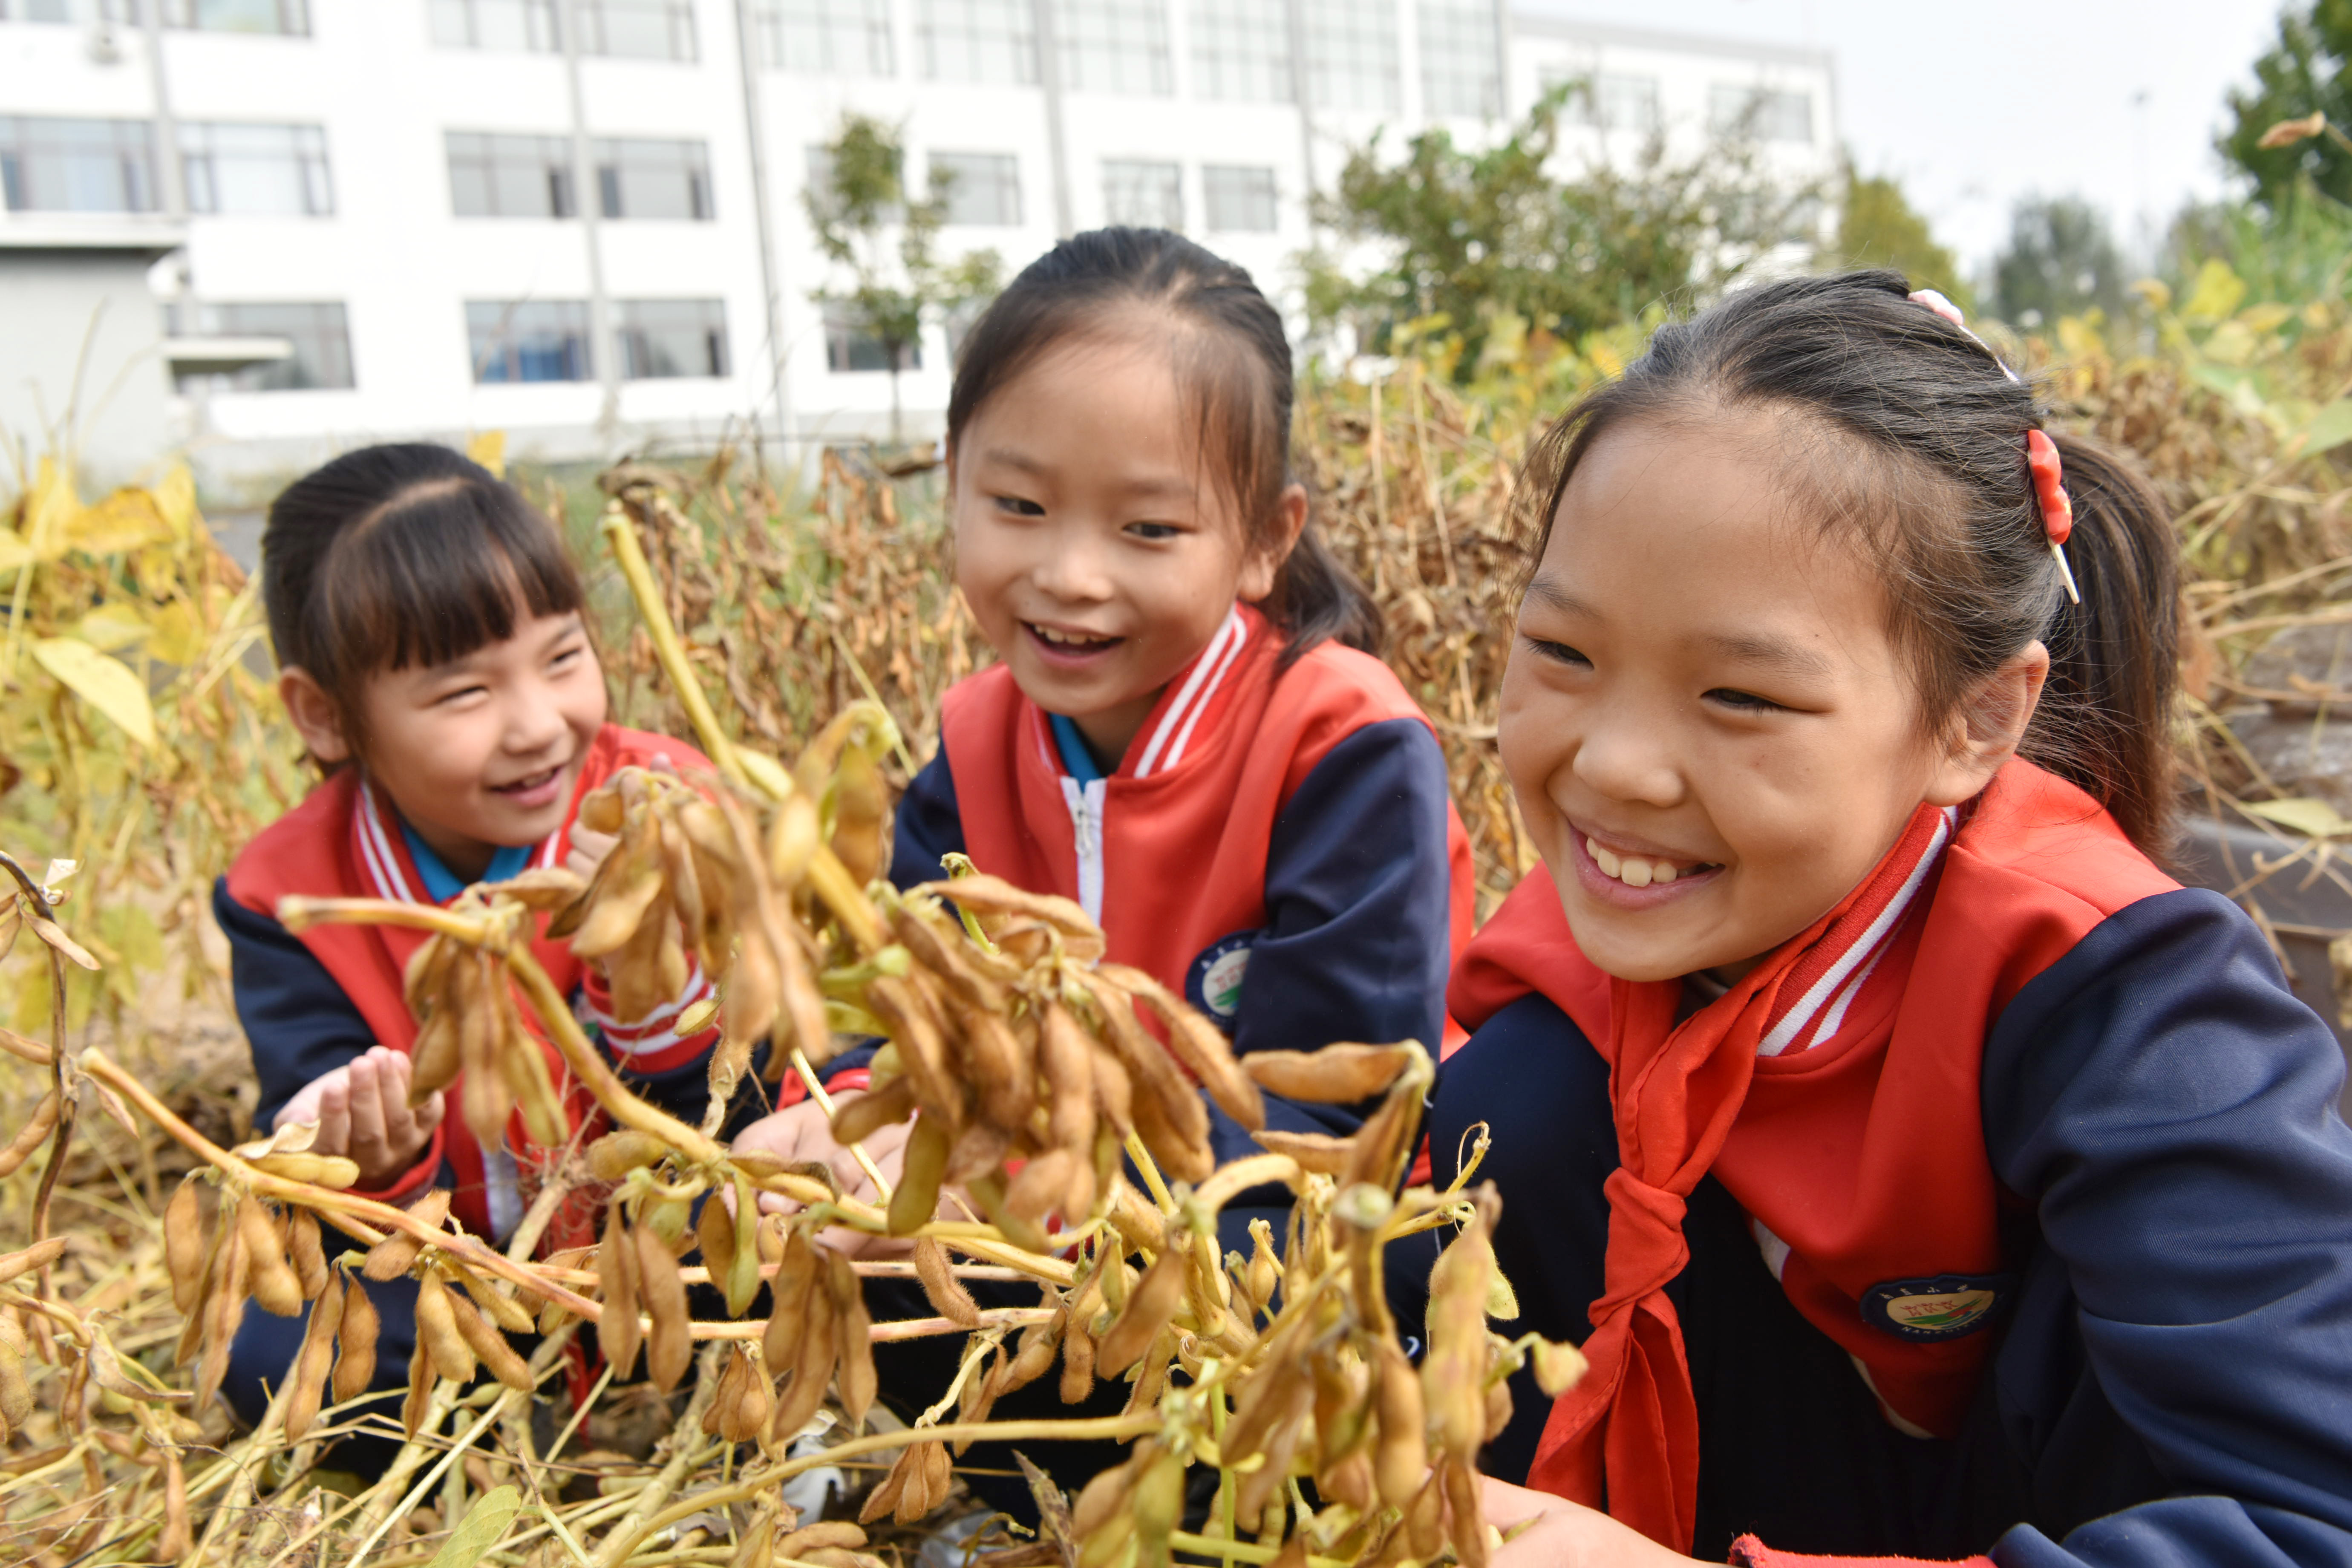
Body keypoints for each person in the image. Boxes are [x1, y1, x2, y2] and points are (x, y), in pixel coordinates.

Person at [1392, 272, 2352, 1568]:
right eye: (1563, 653)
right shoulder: (1561, 986)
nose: (1613, 767)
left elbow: (2309, 1528)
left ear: (1977, 723)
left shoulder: (2133, 1008)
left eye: (1738, 696)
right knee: (1514, 1117)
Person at [739, 227, 1474, 1211]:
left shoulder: (1343, 748)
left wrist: (996, 1184)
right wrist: (849, 1116)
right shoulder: (975, 743)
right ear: (954, 481)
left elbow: (1327, 1124)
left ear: (1264, 540)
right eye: (1020, 505)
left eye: (1149, 529)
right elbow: (906, 1012)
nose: (1071, 576)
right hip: (1038, 1246)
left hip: (1298, 1243)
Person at [214, 443, 724, 1442]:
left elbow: (725, 1095)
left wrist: (647, 967)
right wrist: (368, 1156)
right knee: (271, 1354)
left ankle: (710, 1409)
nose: (539, 725)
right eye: (464, 694)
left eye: (564, 657)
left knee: (808, 1238)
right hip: (452, 1269)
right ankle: (506, 1442)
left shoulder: (662, 804)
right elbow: (316, 1128)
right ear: (324, 715)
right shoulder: (289, 892)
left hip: (665, 1245)